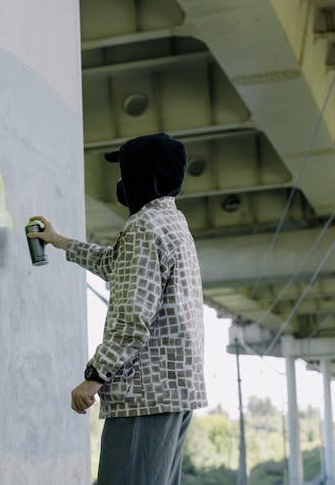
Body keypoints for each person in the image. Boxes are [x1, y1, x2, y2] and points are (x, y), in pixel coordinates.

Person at [28, 133, 206, 485]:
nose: (121, 183)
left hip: (144, 395)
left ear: (143, 174)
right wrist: (59, 241)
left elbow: (133, 316)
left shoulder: (143, 227)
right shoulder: (174, 224)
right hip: (174, 394)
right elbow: (117, 264)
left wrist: (94, 377)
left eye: (125, 171)